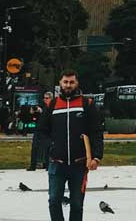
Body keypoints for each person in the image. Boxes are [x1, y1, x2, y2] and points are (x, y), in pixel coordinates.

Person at [39, 69, 104, 221]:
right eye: (65, 82)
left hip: (79, 164)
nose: (68, 85)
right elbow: (41, 131)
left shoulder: (86, 104)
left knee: (76, 204)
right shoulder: (52, 105)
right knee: (54, 200)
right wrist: (51, 147)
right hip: (57, 164)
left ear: (77, 83)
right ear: (60, 83)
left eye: (71, 82)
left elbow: (96, 132)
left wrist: (97, 157)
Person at [29, 93, 54, 171]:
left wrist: (42, 111)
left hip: (47, 131)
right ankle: (33, 165)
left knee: (47, 148)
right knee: (34, 147)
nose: (45, 100)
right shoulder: (42, 106)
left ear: (51, 99)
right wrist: (33, 112)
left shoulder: (52, 107)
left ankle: (47, 165)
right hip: (38, 130)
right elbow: (33, 117)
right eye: (44, 98)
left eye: (47, 98)